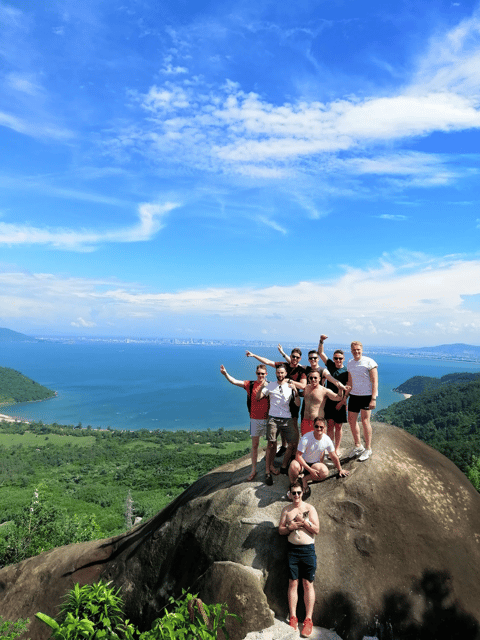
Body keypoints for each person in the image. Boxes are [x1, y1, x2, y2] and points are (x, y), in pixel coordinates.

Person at [247, 346, 307, 457]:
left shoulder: (301, 370)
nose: (294, 358)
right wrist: (254, 355)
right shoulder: (283, 366)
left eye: (297, 357)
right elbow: (268, 362)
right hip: (280, 398)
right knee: (281, 423)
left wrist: (289, 381)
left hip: (292, 398)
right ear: (290, 356)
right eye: (293, 356)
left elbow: (303, 385)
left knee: (293, 424)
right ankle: (284, 446)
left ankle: (294, 449)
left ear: (300, 358)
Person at [278, 479, 319, 637]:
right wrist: (290, 527)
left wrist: (304, 523)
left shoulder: (310, 508)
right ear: (290, 493)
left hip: (308, 550)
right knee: (293, 583)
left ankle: (308, 620)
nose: (296, 495)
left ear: (303, 493)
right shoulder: (286, 510)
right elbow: (280, 530)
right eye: (293, 493)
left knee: (308, 584)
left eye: (298, 493)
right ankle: (293, 617)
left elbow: (317, 529)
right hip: (292, 550)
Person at [220, 363, 269, 481]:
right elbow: (234, 381)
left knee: (271, 445)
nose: (260, 375)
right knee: (255, 445)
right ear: (256, 373)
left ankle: (269, 467)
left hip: (268, 419)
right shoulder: (250, 384)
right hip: (255, 418)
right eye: (258, 373)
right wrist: (226, 374)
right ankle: (253, 470)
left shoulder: (270, 386)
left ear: (266, 374)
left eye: (262, 374)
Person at [256, 362, 300, 485]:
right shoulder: (270, 386)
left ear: (285, 374)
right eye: (278, 372)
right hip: (273, 419)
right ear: (275, 373)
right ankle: (267, 472)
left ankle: (284, 465)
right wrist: (262, 384)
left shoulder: (290, 386)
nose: (280, 374)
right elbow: (258, 397)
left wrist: (296, 391)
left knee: (292, 443)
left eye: (282, 372)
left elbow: (297, 404)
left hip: (287, 418)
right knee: (271, 444)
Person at [289, 417, 349, 497]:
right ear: (313, 426)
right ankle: (293, 485)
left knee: (325, 472)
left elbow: (333, 455)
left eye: (321, 427)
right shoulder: (306, 437)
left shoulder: (327, 440)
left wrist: (340, 469)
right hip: (303, 464)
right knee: (293, 465)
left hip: (314, 465)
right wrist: (309, 469)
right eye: (317, 426)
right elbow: (298, 456)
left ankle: (305, 479)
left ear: (325, 428)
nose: (319, 429)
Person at [347, 341, 379, 461]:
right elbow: (350, 382)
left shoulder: (369, 362)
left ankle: (368, 449)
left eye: (358, 349)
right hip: (354, 395)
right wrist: (346, 394)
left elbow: (375, 381)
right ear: (351, 351)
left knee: (365, 422)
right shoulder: (350, 363)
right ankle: (358, 446)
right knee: (351, 421)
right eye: (354, 350)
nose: (356, 352)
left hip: (367, 396)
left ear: (362, 349)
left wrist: (373, 398)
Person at [318, 334, 349, 455]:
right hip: (329, 401)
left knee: (339, 427)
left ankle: (337, 449)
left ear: (343, 359)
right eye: (336, 358)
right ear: (333, 358)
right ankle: (330, 449)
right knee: (330, 425)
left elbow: (348, 388)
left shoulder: (346, 371)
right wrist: (321, 341)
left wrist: (342, 402)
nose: (338, 360)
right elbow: (321, 353)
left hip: (340, 401)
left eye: (340, 358)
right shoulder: (330, 365)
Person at [300, 371, 345, 436]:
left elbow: (338, 398)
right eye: (311, 378)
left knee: (319, 444)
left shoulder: (324, 390)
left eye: (315, 378)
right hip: (305, 421)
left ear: (319, 379)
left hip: (318, 423)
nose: (313, 380)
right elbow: (300, 393)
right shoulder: (306, 388)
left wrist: (340, 389)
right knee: (306, 443)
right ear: (308, 379)